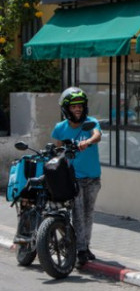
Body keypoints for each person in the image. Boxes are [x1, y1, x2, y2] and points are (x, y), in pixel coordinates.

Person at [52, 87, 102, 268]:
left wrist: (87, 142)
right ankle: (80, 249)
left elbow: (97, 135)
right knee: (78, 214)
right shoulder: (60, 128)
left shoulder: (91, 122)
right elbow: (57, 151)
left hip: (93, 177)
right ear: (67, 109)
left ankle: (85, 246)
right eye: (74, 106)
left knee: (89, 213)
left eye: (80, 106)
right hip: (74, 178)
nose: (78, 109)